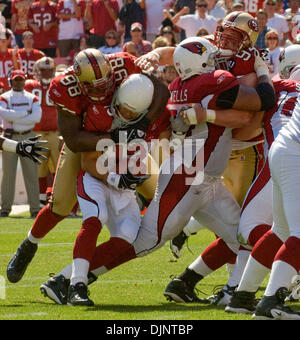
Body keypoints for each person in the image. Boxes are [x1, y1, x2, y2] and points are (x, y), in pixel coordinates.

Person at [39, 36, 276, 306]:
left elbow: (172, 121)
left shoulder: (180, 84)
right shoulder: (211, 80)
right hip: (188, 176)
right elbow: (252, 110)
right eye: (208, 58)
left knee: (241, 236)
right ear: (196, 64)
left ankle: (224, 290)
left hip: (202, 177)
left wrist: (198, 117)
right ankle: (67, 279)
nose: (214, 62)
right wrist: (260, 71)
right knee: (144, 242)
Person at [6, 48, 169, 284]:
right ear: (80, 83)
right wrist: (115, 139)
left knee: (160, 192)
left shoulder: (123, 63)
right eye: (94, 86)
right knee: (60, 205)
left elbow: (160, 90)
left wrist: (143, 123)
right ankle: (29, 244)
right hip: (88, 141)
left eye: (106, 83)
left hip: (126, 136)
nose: (102, 89)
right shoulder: (65, 87)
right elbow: (73, 138)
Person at [224, 44, 300, 317]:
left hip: (282, 149)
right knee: (298, 233)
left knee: (279, 230)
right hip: (296, 153)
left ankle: (242, 297)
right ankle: (272, 301)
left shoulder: (291, 78)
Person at [0, 69, 42, 217]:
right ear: (11, 81)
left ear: (25, 80)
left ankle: (35, 209)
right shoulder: (4, 97)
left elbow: (36, 118)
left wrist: (13, 117)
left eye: (21, 79)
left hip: (29, 136)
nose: (18, 82)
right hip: (10, 137)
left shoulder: (32, 97)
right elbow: (3, 113)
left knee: (31, 173)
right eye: (16, 80)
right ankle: (5, 209)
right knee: (8, 174)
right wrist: (25, 113)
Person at [25, 56, 60, 206]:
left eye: (49, 71)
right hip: (38, 132)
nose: (46, 73)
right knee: (39, 169)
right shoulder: (30, 85)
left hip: (55, 133)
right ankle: (40, 200)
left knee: (57, 168)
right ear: (38, 71)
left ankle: (55, 198)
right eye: (44, 71)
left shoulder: (58, 84)